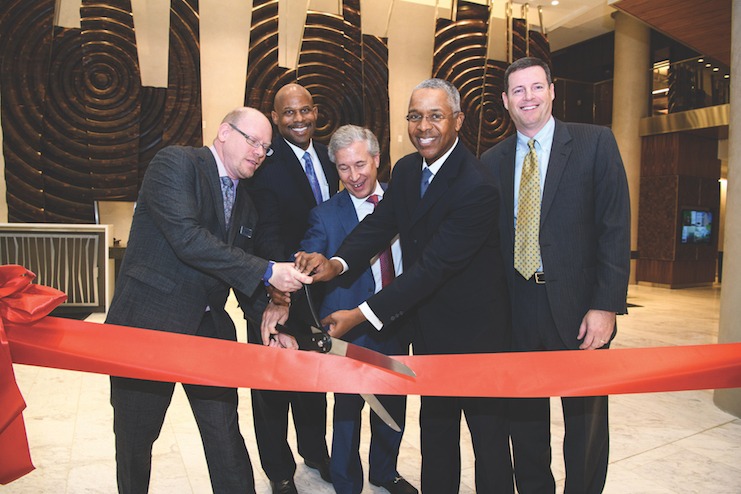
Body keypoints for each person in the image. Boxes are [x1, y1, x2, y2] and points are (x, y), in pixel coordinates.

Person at [294, 79, 513, 494]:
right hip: (429, 330)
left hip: (476, 335)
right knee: (437, 432)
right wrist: (336, 263)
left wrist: (360, 315)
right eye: (415, 116)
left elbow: (432, 268)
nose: (423, 126)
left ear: (458, 121)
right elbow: (379, 225)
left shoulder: (477, 185)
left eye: (435, 115)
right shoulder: (410, 168)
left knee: (488, 439)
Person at [105, 107, 311, 494]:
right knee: (135, 439)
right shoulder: (176, 163)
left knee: (225, 436)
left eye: (266, 148)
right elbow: (188, 239)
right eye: (253, 141)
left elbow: (235, 275)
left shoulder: (247, 203)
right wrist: (268, 270)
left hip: (208, 329)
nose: (259, 153)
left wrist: (269, 318)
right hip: (147, 326)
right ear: (223, 133)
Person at [480, 57, 630, 494]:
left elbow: (615, 228)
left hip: (580, 307)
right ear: (506, 102)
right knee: (524, 418)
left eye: (536, 87)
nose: (529, 97)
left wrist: (604, 306)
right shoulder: (491, 160)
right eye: (519, 91)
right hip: (517, 307)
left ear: (552, 91)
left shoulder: (595, 143)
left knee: (585, 420)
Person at [297, 125, 416, 494]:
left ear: (377, 160)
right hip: (348, 325)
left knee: (393, 404)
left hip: (397, 320)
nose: (354, 176)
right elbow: (311, 252)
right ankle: (347, 482)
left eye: (361, 165)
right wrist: (305, 262)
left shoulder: (405, 202)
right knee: (348, 410)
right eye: (344, 168)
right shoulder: (326, 214)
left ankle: (385, 471)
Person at [247, 83, 339, 493]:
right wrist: (277, 286)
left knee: (313, 382)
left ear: (315, 112)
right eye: (289, 113)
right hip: (274, 292)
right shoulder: (266, 162)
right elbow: (263, 232)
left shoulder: (328, 154)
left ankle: (315, 453)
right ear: (275, 116)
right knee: (272, 388)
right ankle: (279, 471)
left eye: (305, 111)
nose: (298, 119)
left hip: (317, 294)